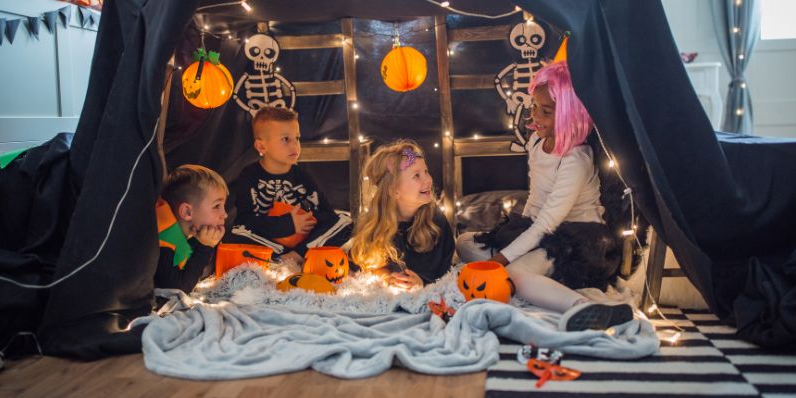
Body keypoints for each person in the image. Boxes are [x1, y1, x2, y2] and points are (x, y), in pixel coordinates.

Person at [456, 61, 632, 331]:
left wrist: (502, 261)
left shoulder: (576, 158)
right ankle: (537, 278)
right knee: (466, 242)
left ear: (569, 115)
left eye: (546, 111)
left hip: (578, 239)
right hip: (541, 229)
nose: (535, 116)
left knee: (513, 272)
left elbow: (549, 222)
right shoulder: (537, 143)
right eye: (534, 106)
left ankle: (582, 306)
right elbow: (536, 205)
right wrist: (510, 242)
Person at [227, 106, 351, 264]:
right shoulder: (249, 176)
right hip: (269, 241)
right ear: (261, 146)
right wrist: (288, 224)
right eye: (285, 139)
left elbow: (327, 215)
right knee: (237, 231)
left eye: (297, 138)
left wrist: (307, 219)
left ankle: (297, 255)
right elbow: (246, 220)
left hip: (303, 242)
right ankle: (284, 256)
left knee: (345, 222)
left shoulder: (301, 176)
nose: (295, 146)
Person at [349, 140, 454, 290]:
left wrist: (422, 282)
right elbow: (362, 265)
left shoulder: (435, 222)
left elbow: (444, 269)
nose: (428, 180)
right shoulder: (375, 225)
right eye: (416, 176)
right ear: (393, 190)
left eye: (426, 171)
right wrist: (384, 275)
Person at [156, 164, 227, 292]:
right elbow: (176, 290)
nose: (225, 215)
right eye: (217, 206)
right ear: (187, 212)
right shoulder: (163, 241)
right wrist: (205, 246)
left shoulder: (181, 232)